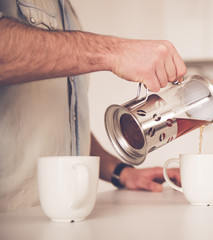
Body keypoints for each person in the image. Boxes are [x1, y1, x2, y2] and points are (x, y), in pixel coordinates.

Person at [0, 0, 186, 213]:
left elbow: (65, 125)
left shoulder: (65, 10)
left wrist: (121, 172)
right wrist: (115, 51)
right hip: (14, 220)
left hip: (72, 213)